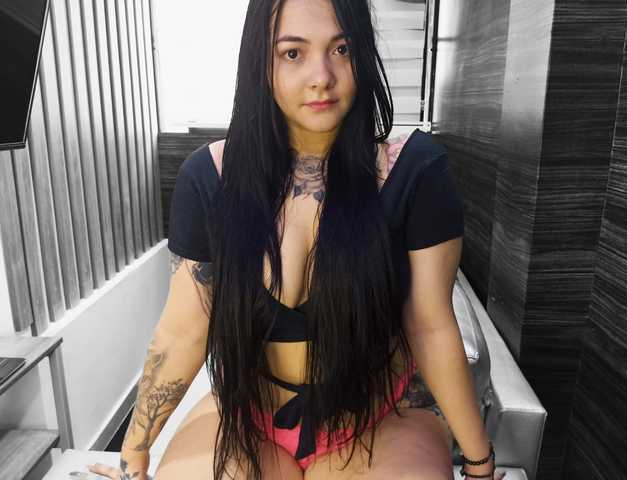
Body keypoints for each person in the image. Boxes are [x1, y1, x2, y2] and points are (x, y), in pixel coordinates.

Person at [86, 0, 506, 479]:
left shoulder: (415, 170)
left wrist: (479, 463)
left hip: (380, 421)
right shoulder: (209, 178)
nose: (321, 76)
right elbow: (184, 331)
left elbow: (430, 325)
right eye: (293, 53)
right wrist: (133, 455)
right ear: (260, 63)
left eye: (342, 49)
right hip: (249, 418)